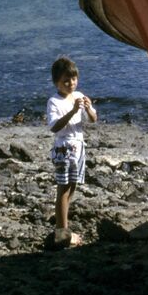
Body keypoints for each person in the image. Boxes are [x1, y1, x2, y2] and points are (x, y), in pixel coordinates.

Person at [47, 55, 96, 245]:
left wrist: (89, 108)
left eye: (73, 79)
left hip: (79, 146)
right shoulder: (54, 101)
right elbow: (54, 126)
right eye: (66, 80)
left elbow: (92, 119)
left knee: (72, 187)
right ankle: (62, 232)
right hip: (64, 148)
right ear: (56, 82)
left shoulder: (78, 95)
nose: (71, 83)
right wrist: (73, 111)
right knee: (63, 189)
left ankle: (63, 229)